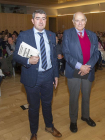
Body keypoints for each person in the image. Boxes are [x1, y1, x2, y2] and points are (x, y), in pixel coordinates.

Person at [13, 9, 62, 140]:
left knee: (47, 104)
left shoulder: (51, 35)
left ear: (46, 20)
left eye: (44, 18)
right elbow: (16, 56)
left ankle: (49, 126)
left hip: (48, 75)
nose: (41, 21)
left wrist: (56, 75)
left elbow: (54, 58)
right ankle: (34, 132)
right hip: (32, 76)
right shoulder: (24, 36)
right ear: (33, 20)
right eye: (38, 18)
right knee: (34, 107)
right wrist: (28, 60)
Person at [62, 12, 99, 133]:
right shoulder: (67, 34)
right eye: (77, 20)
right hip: (74, 70)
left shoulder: (92, 35)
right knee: (74, 97)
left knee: (86, 95)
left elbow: (96, 53)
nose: (80, 23)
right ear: (73, 22)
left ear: (86, 21)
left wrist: (88, 66)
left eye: (82, 20)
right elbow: (66, 53)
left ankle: (85, 116)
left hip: (88, 69)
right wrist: (80, 66)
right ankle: (73, 120)